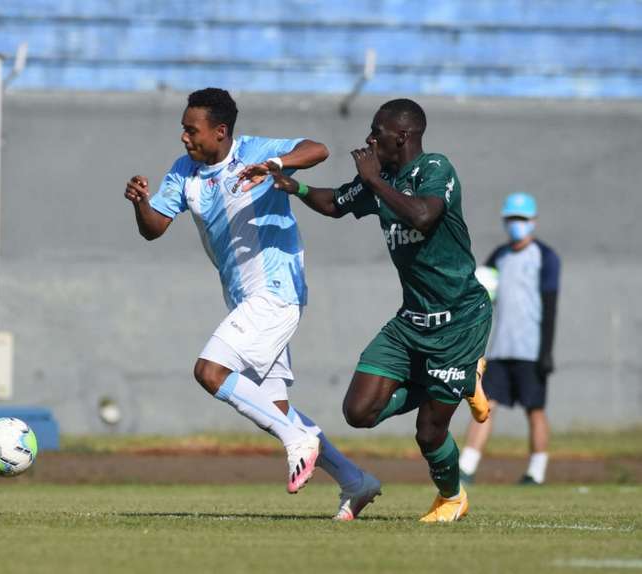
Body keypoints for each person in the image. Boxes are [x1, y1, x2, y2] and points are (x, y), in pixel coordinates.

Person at [124, 87, 381, 520]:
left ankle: (297, 441)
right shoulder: (184, 172)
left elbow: (317, 149)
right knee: (275, 407)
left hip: (277, 292)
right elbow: (154, 229)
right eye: (183, 130)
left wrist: (277, 166)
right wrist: (141, 204)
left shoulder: (256, 152)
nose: (184, 138)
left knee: (210, 371)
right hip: (244, 300)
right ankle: (355, 481)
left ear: (220, 131)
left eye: (192, 130)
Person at [261, 98, 492, 522]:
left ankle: (452, 497)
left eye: (377, 131)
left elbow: (422, 216)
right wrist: (298, 188)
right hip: (411, 321)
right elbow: (334, 204)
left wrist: (374, 181)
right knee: (358, 412)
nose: (369, 138)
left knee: (428, 432)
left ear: (401, 136)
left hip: (459, 320)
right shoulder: (378, 178)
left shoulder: (436, 169)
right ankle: (463, 381)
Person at [459, 192, 560, 485]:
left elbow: (550, 307)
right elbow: (482, 299)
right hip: (501, 349)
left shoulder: (546, 257)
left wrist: (546, 351)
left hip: (531, 350)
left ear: (533, 222)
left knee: (535, 410)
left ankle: (536, 472)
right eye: (512, 219)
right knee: (485, 406)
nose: (516, 224)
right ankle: (466, 467)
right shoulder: (498, 257)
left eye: (522, 219)